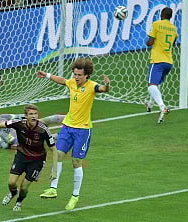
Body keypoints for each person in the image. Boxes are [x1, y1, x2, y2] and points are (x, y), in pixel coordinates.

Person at [36, 57, 110, 210]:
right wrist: (47, 75)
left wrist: (107, 84)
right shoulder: (71, 83)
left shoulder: (92, 86)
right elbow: (62, 80)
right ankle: (53, 189)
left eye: (79, 75)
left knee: (76, 162)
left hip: (82, 130)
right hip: (67, 127)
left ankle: (75, 196)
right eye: (75, 74)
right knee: (58, 154)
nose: (76, 77)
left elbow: (102, 89)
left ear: (86, 75)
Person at [0, 104, 58, 212]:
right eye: (31, 114)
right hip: (22, 156)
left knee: (24, 187)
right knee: (11, 183)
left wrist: (55, 171)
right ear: (26, 116)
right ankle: (13, 193)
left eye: (35, 114)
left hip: (37, 160)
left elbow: (54, 149)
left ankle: (19, 202)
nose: (34, 116)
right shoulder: (18, 124)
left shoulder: (43, 129)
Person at [144, 7, 178, 124]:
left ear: (161, 15)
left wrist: (147, 42)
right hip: (169, 62)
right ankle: (150, 104)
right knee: (156, 85)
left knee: (151, 86)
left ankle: (162, 106)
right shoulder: (174, 28)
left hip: (157, 60)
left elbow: (150, 42)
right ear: (170, 16)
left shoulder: (156, 24)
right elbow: (173, 43)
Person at [0, 111, 65, 149]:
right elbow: (2, 144)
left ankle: (68, 118)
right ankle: (57, 136)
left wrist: (30, 117)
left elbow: (18, 116)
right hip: (20, 140)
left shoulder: (3, 117)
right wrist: (13, 145)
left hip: (23, 128)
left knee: (45, 120)